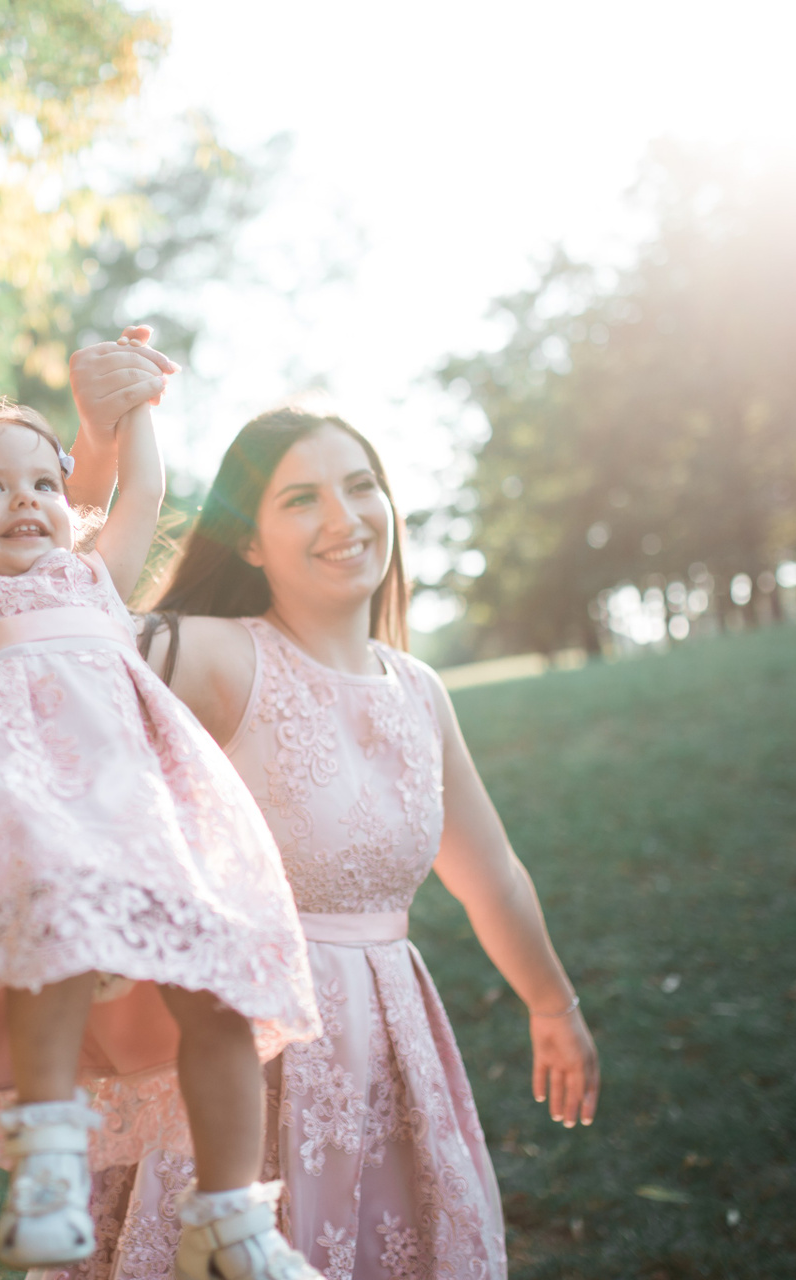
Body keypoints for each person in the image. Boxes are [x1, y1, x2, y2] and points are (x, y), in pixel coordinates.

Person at [44, 405, 601, 1280]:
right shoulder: (216, 655)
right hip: (245, 1061)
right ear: (250, 540)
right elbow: (57, 634)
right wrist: (100, 446)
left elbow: (491, 875)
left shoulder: (419, 691)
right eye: (301, 498)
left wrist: (553, 1006)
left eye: (360, 486)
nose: (344, 518)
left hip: (390, 1051)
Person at [0, 332, 326, 1279]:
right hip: (31, 836)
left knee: (220, 991)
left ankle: (233, 1220)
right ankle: (48, 1165)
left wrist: (134, 405)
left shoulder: (96, 581)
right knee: (58, 938)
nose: (26, 499)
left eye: (44, 482)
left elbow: (143, 490)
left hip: (149, 829)